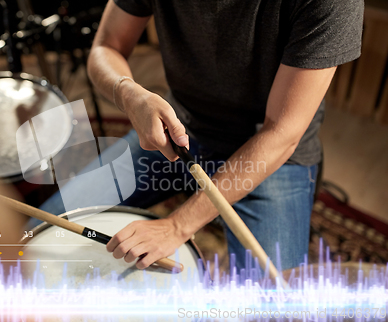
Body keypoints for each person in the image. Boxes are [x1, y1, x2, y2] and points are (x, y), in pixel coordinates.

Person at [39, 0, 363, 272]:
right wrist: (130, 94)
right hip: (179, 129)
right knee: (38, 235)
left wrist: (177, 226)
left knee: (270, 308)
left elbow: (282, 132)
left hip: (271, 155)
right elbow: (106, 44)